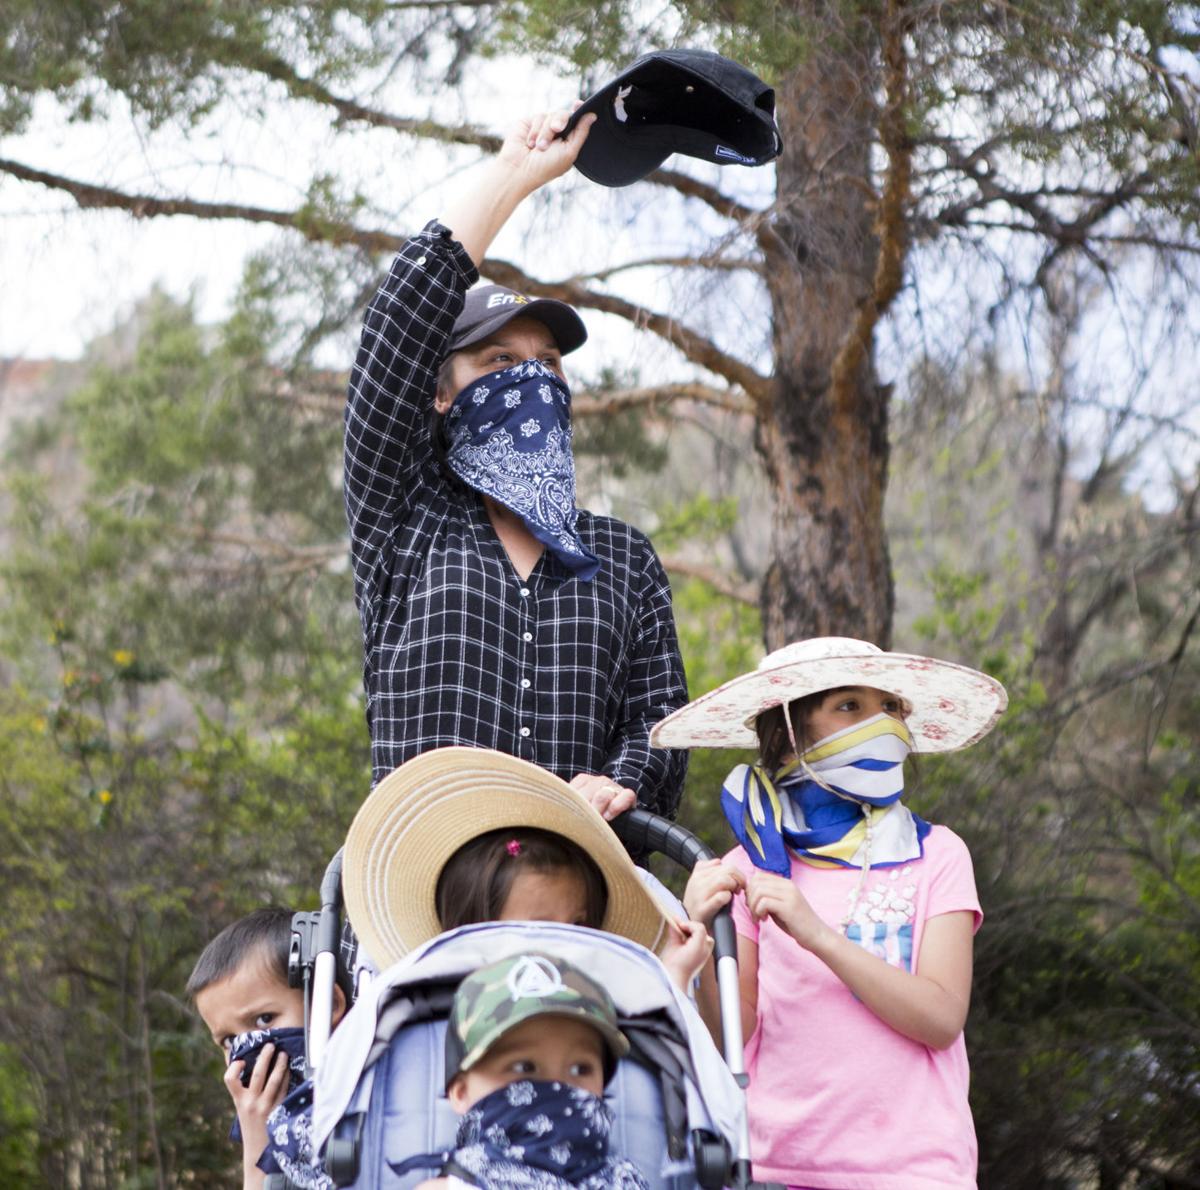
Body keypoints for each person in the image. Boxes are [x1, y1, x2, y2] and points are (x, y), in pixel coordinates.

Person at [343, 104, 688, 828]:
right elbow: (397, 330)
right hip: (422, 874)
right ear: (440, 393)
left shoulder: (624, 558)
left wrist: (621, 781)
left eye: (547, 363)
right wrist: (514, 174)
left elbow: (659, 721)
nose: (530, 378)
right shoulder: (405, 519)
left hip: (575, 880)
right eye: (499, 361)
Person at [653, 637, 1008, 1188]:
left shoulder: (937, 854)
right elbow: (730, 1037)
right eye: (849, 706)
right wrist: (702, 934)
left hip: (916, 1171)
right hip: (777, 1169)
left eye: (890, 707)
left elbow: (941, 1019)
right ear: (787, 736)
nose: (882, 723)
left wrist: (817, 935)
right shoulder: (746, 868)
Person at [339, 746, 710, 993]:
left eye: (581, 927)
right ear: (471, 942)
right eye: (541, 930)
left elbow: (657, 1067)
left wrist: (675, 977)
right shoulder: (432, 1025)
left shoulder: (597, 1013)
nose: (569, 947)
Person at [409, 952, 650, 1189]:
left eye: (580, 1069)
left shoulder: (624, 1181)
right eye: (523, 1067)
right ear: (461, 1092)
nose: (558, 1086)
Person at [188, 908, 347, 1190]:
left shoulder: (374, 1099)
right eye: (229, 1040)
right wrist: (256, 1149)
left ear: (328, 1004)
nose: (246, 1050)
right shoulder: (257, 1123)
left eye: (263, 1020)